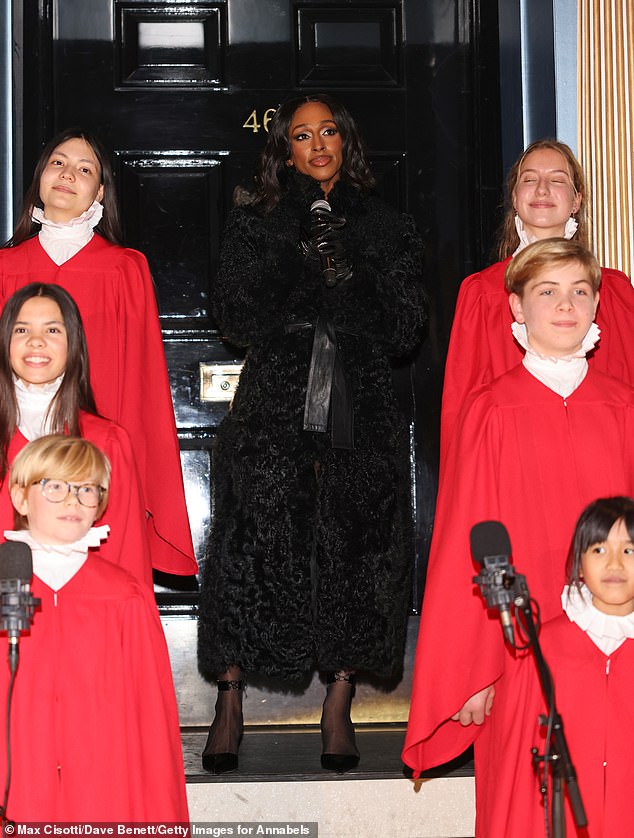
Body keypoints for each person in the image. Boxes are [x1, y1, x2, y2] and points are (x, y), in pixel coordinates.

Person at [197, 93, 427, 774]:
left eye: (329, 131)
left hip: (362, 396)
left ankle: (339, 700)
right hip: (275, 394)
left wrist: (348, 269)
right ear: (285, 150)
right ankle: (229, 700)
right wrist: (300, 257)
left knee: (356, 540)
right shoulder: (255, 219)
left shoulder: (390, 226)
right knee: (253, 536)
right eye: (302, 135)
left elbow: (406, 326)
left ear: (346, 141)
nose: (318, 144)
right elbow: (235, 314)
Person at [402, 239, 634, 836]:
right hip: (521, 653)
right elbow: (468, 542)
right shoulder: (491, 409)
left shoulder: (624, 408)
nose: (566, 305)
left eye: (580, 292)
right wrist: (476, 669)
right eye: (547, 292)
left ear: (597, 307)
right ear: (517, 308)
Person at [0, 128, 195, 577]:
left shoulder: (124, 269)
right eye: (58, 163)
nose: (68, 174)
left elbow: (142, 381)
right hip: (12, 450)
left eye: (84, 169)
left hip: (95, 459)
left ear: (100, 191)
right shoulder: (6, 269)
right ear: (39, 178)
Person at [0, 435, 189, 821]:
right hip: (17, 778)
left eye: (87, 489)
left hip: (103, 784)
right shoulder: (5, 583)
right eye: (54, 486)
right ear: (20, 499)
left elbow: (151, 716)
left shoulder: (124, 594)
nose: (72, 499)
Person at [440, 139, 634, 462]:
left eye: (557, 180)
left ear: (576, 200)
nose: (542, 189)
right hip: (514, 468)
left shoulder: (615, 293)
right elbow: (462, 417)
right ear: (515, 198)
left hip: (602, 466)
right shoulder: (482, 293)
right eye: (529, 179)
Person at [489, 496, 634, 837]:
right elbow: (519, 763)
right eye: (599, 550)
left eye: (629, 550)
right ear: (579, 564)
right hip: (561, 818)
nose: (614, 564)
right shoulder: (545, 646)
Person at [0, 282, 152, 585]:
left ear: (74, 345)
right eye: (22, 330)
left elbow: (127, 556)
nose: (36, 342)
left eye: (53, 330)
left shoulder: (106, 441)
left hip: (84, 617)